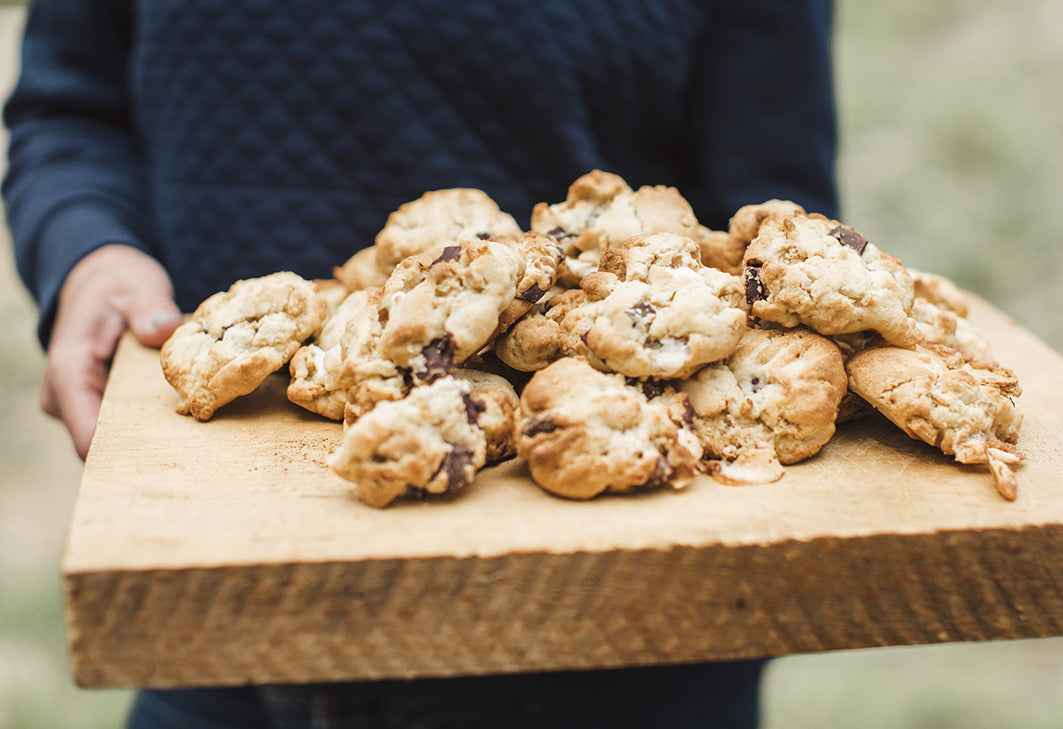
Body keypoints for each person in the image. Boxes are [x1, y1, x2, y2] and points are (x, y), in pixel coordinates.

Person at [4, 1, 838, 727]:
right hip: (219, 628)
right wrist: (85, 251)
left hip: (612, 653)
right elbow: (68, 111)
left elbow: (773, 226)